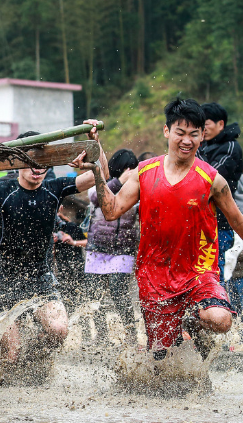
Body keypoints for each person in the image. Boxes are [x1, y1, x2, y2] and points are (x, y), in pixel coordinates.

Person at [84, 98, 243, 360]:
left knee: (221, 319)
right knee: (163, 361)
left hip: (198, 271)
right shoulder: (144, 173)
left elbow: (238, 222)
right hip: (154, 276)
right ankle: (178, 336)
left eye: (194, 134)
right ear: (167, 131)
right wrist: (96, 162)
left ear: (202, 135)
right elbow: (111, 211)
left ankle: (193, 320)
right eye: (180, 132)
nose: (187, 140)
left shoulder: (212, 179)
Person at [0, 122, 108, 365]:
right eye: (32, 161)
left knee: (58, 331)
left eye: (43, 161)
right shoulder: (1, 189)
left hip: (40, 276)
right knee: (11, 356)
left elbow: (100, 174)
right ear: (19, 162)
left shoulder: (54, 188)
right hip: (6, 279)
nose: (37, 168)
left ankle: (35, 361)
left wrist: (93, 140)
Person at [84, 149, 140, 346]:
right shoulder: (101, 185)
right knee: (94, 295)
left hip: (123, 250)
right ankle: (100, 336)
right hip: (97, 248)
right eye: (127, 167)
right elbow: (96, 200)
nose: (130, 171)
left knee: (119, 292)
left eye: (133, 168)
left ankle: (131, 336)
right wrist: (118, 182)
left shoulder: (136, 191)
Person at [198, 102, 243, 285]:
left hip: (221, 221)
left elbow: (211, 177)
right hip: (201, 219)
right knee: (201, 268)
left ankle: (222, 307)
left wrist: (193, 152)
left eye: (206, 124)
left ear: (221, 124)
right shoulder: (203, 146)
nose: (203, 129)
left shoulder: (231, 147)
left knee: (217, 266)